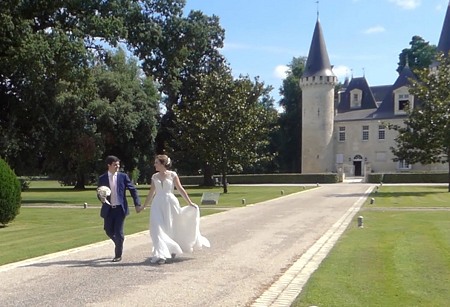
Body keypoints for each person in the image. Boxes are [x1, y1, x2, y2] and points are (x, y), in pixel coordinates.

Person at [142, 154, 210, 264]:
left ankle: (172, 248)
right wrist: (144, 205)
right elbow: (151, 192)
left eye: (156, 163)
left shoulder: (172, 175)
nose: (154, 165)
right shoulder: (154, 177)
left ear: (163, 164)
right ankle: (161, 255)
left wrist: (189, 202)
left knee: (172, 226)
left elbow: (180, 189)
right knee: (157, 228)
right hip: (157, 204)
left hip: (171, 202)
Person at [97, 155, 142, 262]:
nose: (117, 166)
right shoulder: (102, 178)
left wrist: (137, 204)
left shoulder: (123, 176)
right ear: (109, 165)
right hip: (108, 209)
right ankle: (119, 241)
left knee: (118, 232)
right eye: (115, 164)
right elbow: (99, 193)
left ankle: (118, 254)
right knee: (108, 230)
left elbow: (133, 190)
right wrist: (101, 197)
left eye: (118, 164)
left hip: (120, 209)